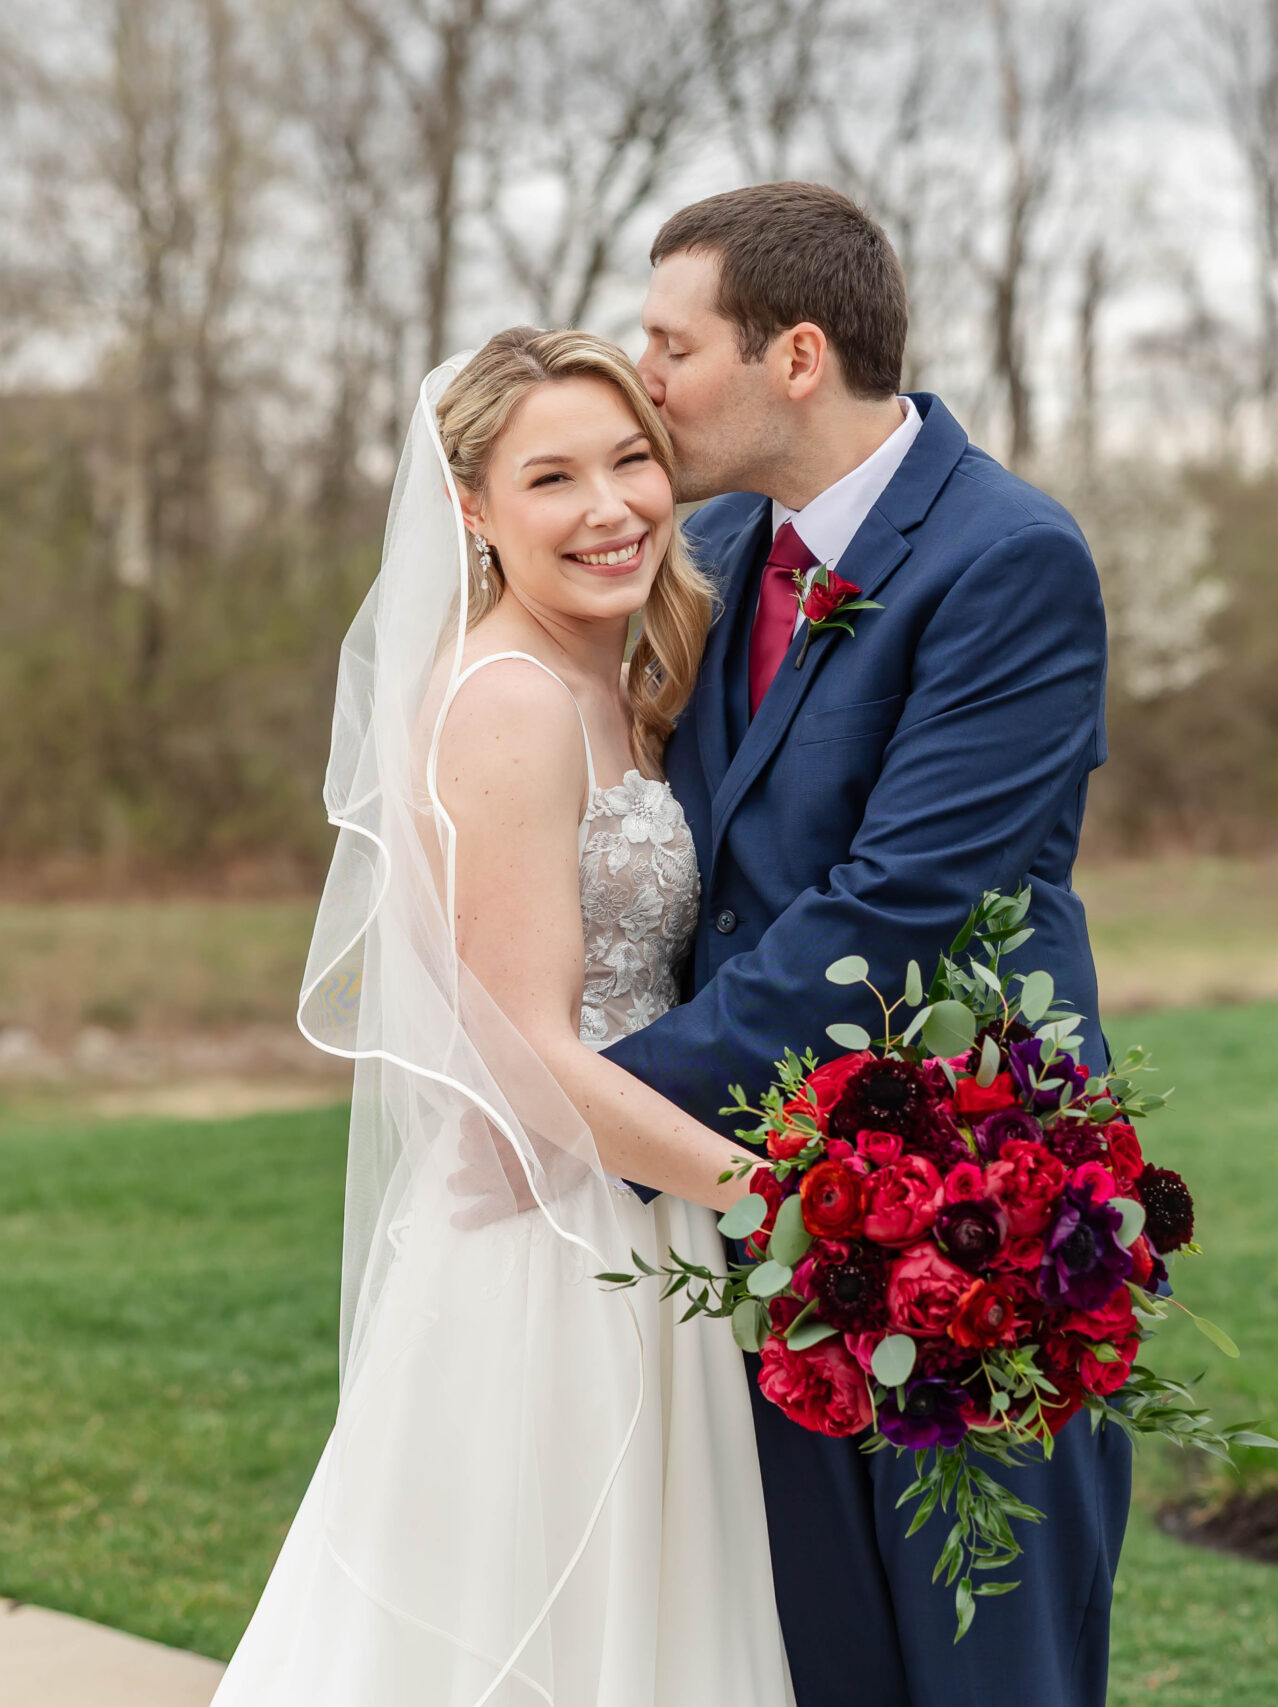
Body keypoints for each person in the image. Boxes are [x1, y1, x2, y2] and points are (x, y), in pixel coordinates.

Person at [212, 329, 796, 1707]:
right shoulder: (511, 701)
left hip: (641, 1215)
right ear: (471, 509)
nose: (610, 508)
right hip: (556, 1258)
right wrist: (786, 1196)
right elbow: (528, 1054)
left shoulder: (623, 675)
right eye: (553, 478)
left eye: (632, 461)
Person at [602, 180, 1126, 1707]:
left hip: (964, 1205)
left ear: (798, 358)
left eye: (669, 345)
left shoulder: (1009, 560)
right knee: (807, 1649)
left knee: (986, 1657)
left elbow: (893, 910)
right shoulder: (701, 546)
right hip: (751, 1206)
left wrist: (603, 1103)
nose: (647, 380)